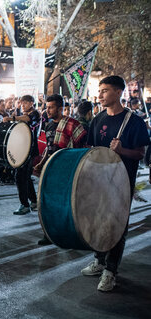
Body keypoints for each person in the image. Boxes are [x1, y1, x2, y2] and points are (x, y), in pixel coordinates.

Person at [80, 76, 149, 292]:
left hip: (122, 183)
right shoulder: (98, 119)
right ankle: (99, 260)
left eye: (105, 91)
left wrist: (121, 151)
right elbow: (91, 149)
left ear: (119, 92)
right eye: (99, 91)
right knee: (99, 222)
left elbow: (140, 154)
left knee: (117, 226)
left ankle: (111, 270)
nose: (100, 95)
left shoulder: (133, 121)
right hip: (99, 182)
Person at [34, 94, 87, 245]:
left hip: (67, 170)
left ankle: (69, 233)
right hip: (50, 168)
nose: (47, 110)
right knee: (47, 203)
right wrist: (42, 162)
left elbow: (82, 148)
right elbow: (49, 148)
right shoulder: (49, 125)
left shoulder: (73, 124)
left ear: (60, 108)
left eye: (51, 107)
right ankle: (49, 234)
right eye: (46, 107)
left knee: (66, 203)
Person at [3, 95, 40, 215]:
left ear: (31, 103)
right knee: (26, 177)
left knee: (20, 177)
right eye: (21, 103)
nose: (22, 105)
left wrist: (12, 118)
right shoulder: (23, 114)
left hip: (29, 150)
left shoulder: (35, 114)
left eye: (25, 103)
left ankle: (24, 204)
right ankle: (34, 202)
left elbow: (27, 118)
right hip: (23, 148)